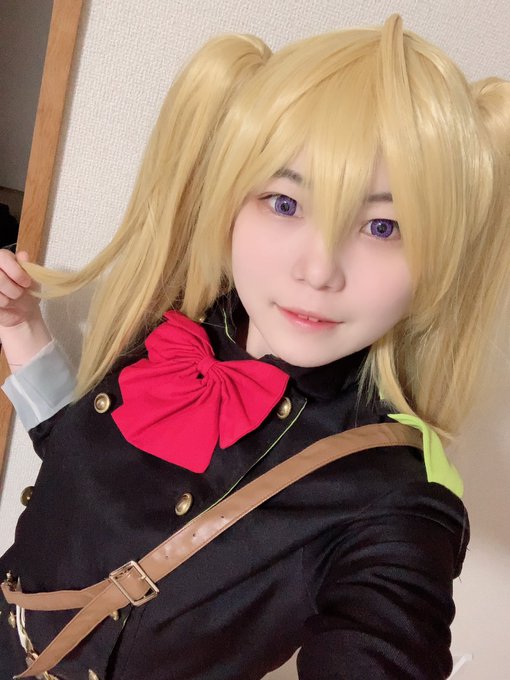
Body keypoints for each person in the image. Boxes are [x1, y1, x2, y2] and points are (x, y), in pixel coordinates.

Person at [0, 14, 508, 680]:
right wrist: (22, 330)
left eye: (384, 226)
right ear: (232, 202)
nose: (318, 270)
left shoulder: (392, 497)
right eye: (285, 203)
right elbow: (87, 467)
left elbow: (387, 636)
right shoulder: (178, 323)